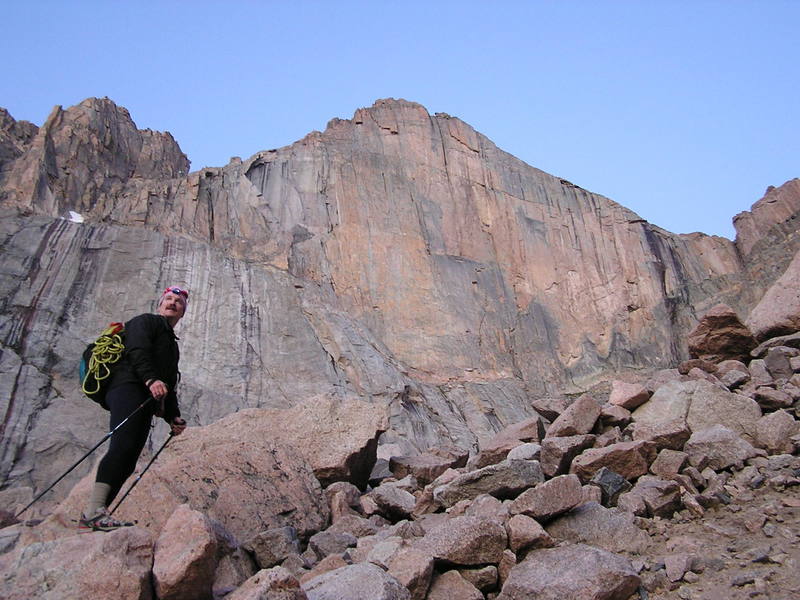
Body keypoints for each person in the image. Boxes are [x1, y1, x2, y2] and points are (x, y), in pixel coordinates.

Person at [80, 286, 189, 531]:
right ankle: (92, 513)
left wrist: (174, 417)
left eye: (178, 302)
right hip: (127, 386)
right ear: (160, 305)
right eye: (168, 299)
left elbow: (169, 382)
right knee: (122, 446)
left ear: (183, 312)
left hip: (144, 398)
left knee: (129, 459)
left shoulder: (172, 345)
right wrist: (150, 379)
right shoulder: (146, 321)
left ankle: (97, 515)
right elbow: (137, 350)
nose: (172, 303)